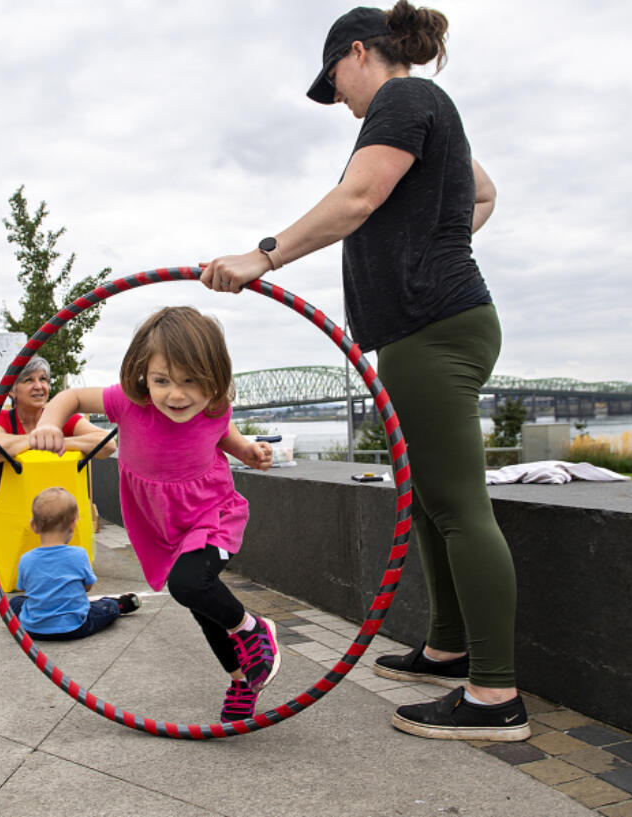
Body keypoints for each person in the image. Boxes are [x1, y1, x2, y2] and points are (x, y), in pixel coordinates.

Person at [200, 3, 529, 741]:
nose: (340, 102)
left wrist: (264, 255)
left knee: (460, 507)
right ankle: (448, 649)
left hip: (432, 331)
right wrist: (422, 239)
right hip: (433, 325)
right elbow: (481, 194)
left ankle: (495, 694)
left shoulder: (402, 99)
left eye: (335, 83)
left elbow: (356, 198)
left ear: (358, 53)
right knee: (434, 505)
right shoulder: (428, 110)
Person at [28, 306, 278, 722]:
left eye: (190, 382)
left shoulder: (215, 409)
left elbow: (229, 441)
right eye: (162, 381)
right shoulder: (127, 403)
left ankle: (254, 630)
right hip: (162, 525)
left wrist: (252, 452)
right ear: (143, 374)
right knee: (203, 607)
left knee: (189, 585)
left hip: (212, 516)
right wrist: (52, 422)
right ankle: (241, 679)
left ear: (214, 380)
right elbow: (70, 397)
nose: (176, 395)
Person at [9, 486, 141, 640]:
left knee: (15, 603)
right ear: (73, 524)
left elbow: (24, 588)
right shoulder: (79, 554)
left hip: (34, 629)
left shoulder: (26, 559)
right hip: (75, 626)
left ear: (33, 525)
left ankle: (45, 619)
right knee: (105, 608)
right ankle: (119, 605)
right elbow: (87, 587)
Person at [0, 355, 116, 502]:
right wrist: (40, 440)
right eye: (28, 380)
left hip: (61, 514)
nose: (39, 386)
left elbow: (108, 445)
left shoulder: (63, 417)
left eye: (43, 379)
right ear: (12, 391)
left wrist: (60, 443)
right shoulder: (0, 418)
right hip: (11, 510)